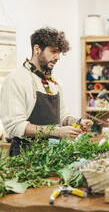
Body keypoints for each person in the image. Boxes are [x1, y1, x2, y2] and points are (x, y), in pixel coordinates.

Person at [0, 27, 93, 156]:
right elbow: (15, 126)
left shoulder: (53, 83)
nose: (58, 57)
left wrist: (76, 122)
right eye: (53, 51)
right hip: (25, 156)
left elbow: (62, 116)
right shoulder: (16, 80)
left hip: (52, 153)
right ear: (37, 49)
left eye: (59, 52)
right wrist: (56, 132)